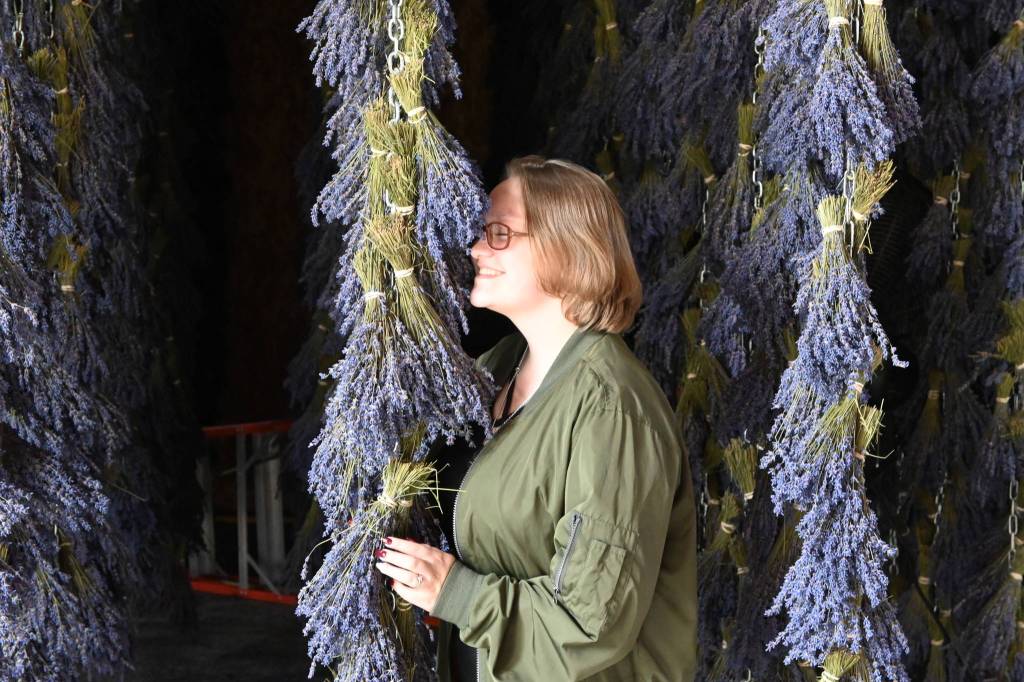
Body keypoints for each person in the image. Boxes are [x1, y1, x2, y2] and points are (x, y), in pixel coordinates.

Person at [374, 155, 697, 681]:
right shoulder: (496, 368)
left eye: (498, 233)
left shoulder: (611, 408)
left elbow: (587, 625)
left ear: (566, 248)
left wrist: (454, 592)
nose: (476, 248)